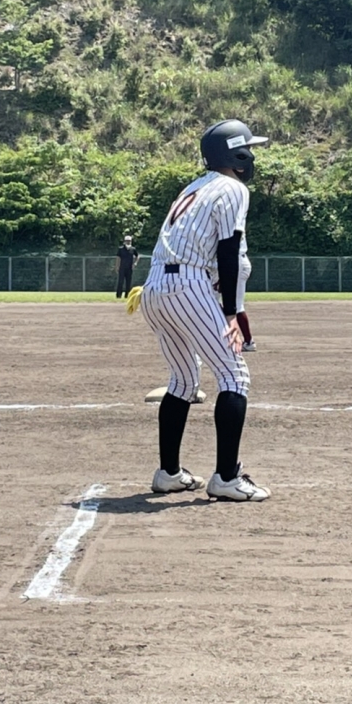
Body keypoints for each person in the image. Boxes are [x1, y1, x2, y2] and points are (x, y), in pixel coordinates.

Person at [140, 119, 271, 501]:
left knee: (183, 380)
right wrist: (231, 313)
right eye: (248, 149)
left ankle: (168, 473)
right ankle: (227, 478)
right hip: (186, 284)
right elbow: (228, 251)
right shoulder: (232, 188)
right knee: (235, 376)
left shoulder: (194, 187)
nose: (251, 156)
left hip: (154, 287)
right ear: (237, 155)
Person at [236, 233, 256, 352]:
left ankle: (248, 342)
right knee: (236, 305)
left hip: (235, 262)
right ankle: (248, 341)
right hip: (240, 260)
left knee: (236, 306)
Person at [115, 234, 138, 298]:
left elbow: (137, 256)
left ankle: (127, 295)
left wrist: (135, 263)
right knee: (120, 282)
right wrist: (117, 266)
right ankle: (118, 295)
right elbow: (118, 258)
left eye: (129, 241)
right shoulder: (121, 249)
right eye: (127, 241)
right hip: (122, 268)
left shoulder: (133, 249)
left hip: (129, 268)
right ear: (124, 241)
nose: (128, 242)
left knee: (128, 283)